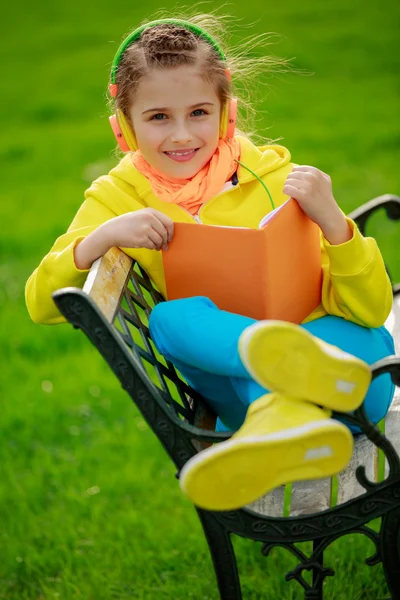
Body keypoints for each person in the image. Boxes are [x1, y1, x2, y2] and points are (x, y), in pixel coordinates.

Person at [25, 16, 395, 512]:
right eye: (158, 117)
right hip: (240, 386)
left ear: (228, 114)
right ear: (124, 127)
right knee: (171, 319)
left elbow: (370, 309)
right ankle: (276, 395)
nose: (181, 135)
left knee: (368, 339)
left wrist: (334, 223)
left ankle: (281, 419)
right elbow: (40, 303)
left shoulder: (273, 176)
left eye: (199, 112)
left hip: (352, 378)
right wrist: (101, 237)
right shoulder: (116, 199)